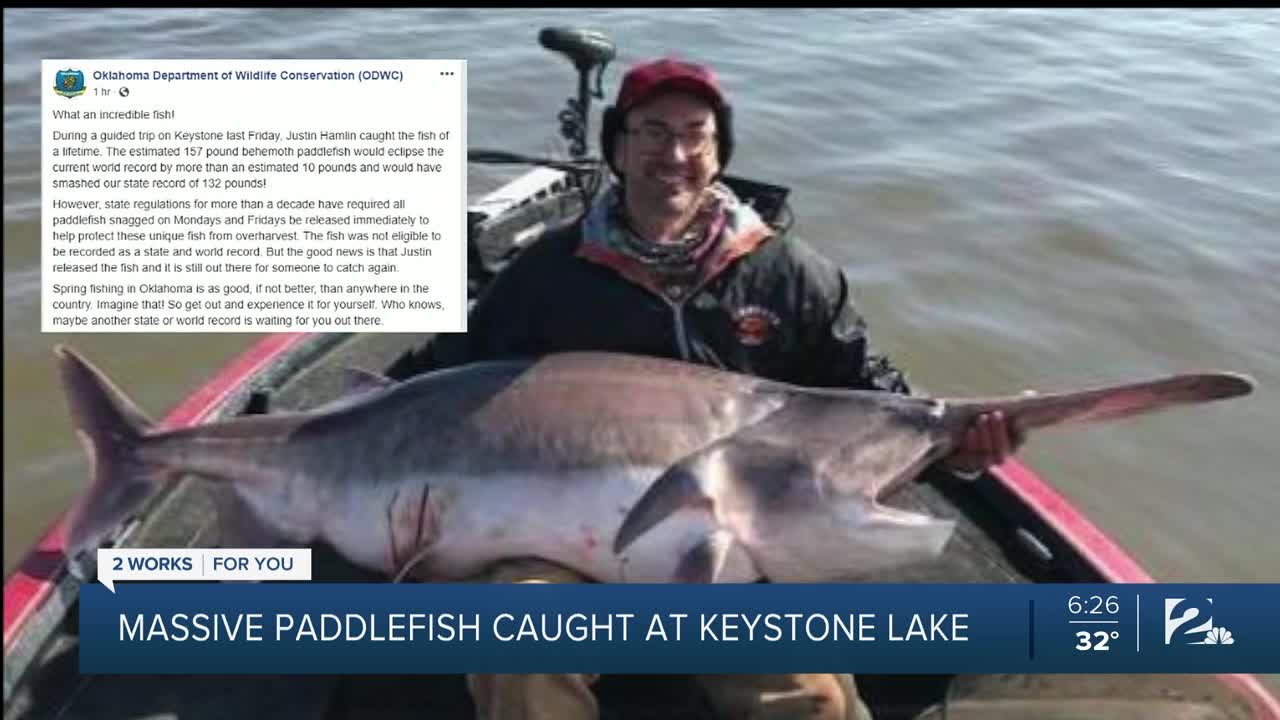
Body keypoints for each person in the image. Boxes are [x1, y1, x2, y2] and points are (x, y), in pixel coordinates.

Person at [406, 57, 1024, 720]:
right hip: (564, 542)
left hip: (735, 546)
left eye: (694, 134)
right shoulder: (548, 271)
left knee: (814, 700)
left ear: (719, 151)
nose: (674, 153)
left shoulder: (788, 274)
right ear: (618, 146)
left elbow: (870, 395)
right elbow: (450, 374)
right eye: (651, 132)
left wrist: (955, 448)